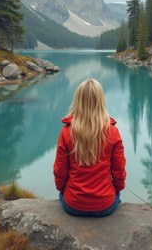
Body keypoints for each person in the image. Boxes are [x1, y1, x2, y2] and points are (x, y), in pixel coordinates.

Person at [53, 78, 126, 217]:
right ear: (101, 101)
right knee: (117, 196)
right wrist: (116, 190)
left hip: (72, 205)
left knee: (61, 194)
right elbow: (119, 171)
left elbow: (60, 171)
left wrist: (63, 190)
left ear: (78, 101)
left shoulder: (66, 132)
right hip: (105, 206)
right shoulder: (113, 132)